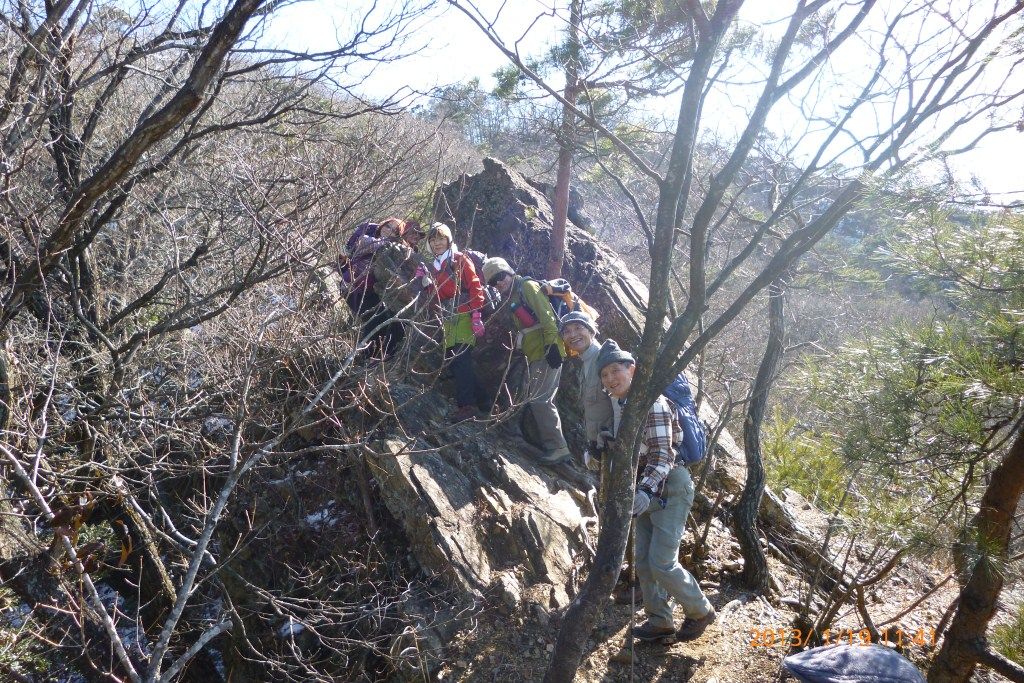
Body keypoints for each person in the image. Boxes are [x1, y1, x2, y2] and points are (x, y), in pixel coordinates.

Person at [595, 339, 717, 643]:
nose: (610, 379)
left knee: (662, 561)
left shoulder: (653, 403)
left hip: (669, 487)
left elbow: (664, 455)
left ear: (632, 370)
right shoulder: (627, 406)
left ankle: (700, 610)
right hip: (647, 490)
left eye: (615, 371)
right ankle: (660, 621)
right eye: (604, 375)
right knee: (647, 565)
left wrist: (646, 491)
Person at [482, 257, 570, 464]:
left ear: (509, 272)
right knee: (540, 398)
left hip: (547, 351)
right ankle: (554, 446)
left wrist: (553, 346)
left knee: (540, 399)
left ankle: (558, 448)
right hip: (535, 352)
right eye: (493, 282)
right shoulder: (512, 294)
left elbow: (548, 318)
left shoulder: (527, 287)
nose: (499, 283)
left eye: (500, 276)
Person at [416, 222, 486, 423]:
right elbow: (437, 297)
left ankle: (467, 406)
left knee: (461, 361)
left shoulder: (458, 259)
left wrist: (476, 315)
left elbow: (475, 287)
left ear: (448, 240)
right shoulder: (435, 267)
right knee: (456, 363)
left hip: (464, 315)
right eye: (433, 239)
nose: (437, 243)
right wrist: (424, 282)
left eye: (440, 238)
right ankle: (485, 402)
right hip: (448, 319)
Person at [344, 217, 407, 359]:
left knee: (388, 319)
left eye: (394, 230)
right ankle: (364, 355)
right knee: (374, 319)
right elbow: (371, 244)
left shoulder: (390, 247)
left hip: (371, 290)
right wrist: (395, 243)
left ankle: (380, 356)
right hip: (354, 287)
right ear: (382, 225)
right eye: (388, 226)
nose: (388, 230)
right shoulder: (366, 239)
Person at [558, 310, 613, 471]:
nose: (573, 334)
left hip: (617, 448)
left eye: (578, 327)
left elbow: (621, 405)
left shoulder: (605, 359)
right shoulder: (585, 363)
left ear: (591, 331)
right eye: (567, 331)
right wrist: (592, 445)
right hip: (604, 449)